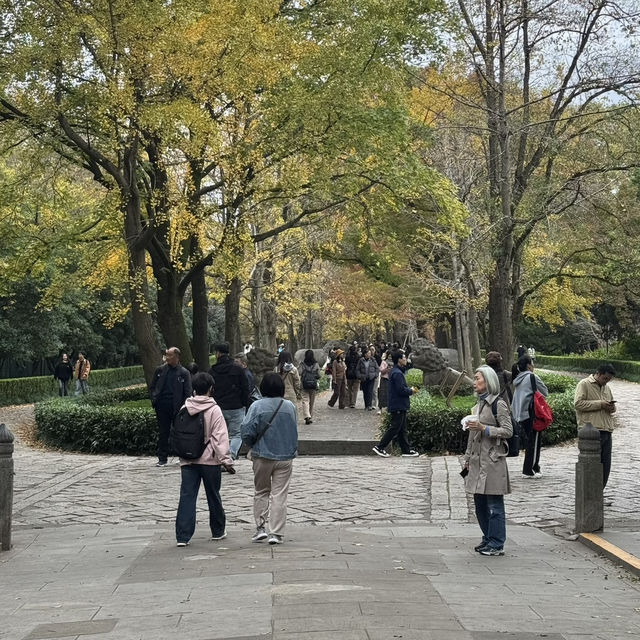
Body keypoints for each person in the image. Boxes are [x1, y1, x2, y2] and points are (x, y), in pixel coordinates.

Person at [175, 372, 235, 547]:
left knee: (187, 496)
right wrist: (226, 461)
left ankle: (182, 536)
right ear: (210, 389)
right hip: (209, 460)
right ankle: (217, 531)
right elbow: (220, 438)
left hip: (188, 459)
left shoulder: (184, 407)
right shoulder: (214, 409)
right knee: (213, 496)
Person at [241, 372, 298, 545]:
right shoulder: (290, 406)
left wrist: (251, 444)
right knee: (280, 495)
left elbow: (246, 430)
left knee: (261, 491)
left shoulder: (257, 406)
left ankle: (260, 528)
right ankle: (276, 533)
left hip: (262, 455)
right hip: (285, 455)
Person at [463, 365, 513, 556]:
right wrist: (467, 458)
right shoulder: (479, 404)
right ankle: (487, 537)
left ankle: (497, 542)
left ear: (488, 381)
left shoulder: (498, 404)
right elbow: (472, 434)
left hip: (492, 460)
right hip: (476, 460)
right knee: (479, 503)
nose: (474, 382)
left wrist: (485, 428)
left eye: (478, 378)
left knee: (494, 503)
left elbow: (508, 431)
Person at [574, 363, 616, 488]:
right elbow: (578, 404)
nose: (606, 382)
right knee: (592, 465)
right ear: (598, 374)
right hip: (591, 431)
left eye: (608, 380)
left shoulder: (606, 388)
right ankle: (590, 493)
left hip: (607, 429)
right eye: (605, 379)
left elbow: (612, 408)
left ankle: (599, 493)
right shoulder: (584, 384)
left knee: (606, 465)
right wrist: (600, 404)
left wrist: (611, 407)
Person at [372, 350, 419, 457]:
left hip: (399, 404)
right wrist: (411, 391)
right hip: (398, 404)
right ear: (398, 360)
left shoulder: (395, 371)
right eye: (404, 358)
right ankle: (380, 447)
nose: (406, 360)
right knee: (395, 427)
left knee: (402, 429)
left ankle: (406, 450)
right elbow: (401, 390)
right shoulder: (397, 373)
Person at [150, 347, 192, 467]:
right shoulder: (160, 370)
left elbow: (187, 392)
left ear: (177, 357)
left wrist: (185, 406)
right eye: (166, 355)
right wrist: (154, 399)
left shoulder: (184, 373)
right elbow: (153, 387)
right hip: (162, 406)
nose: (167, 358)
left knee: (179, 433)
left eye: (170, 355)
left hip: (178, 407)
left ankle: (182, 455)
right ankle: (162, 458)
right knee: (163, 432)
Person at [209, 343, 250, 460]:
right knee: (237, 434)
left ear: (218, 353)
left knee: (219, 434)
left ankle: (220, 455)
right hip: (236, 406)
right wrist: (244, 404)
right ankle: (231, 454)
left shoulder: (212, 371)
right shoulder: (237, 369)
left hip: (218, 407)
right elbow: (245, 387)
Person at [511, 355, 549, 478]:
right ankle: (529, 470)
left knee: (529, 442)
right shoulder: (531, 377)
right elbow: (545, 391)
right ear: (528, 365)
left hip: (520, 415)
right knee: (534, 442)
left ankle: (534, 468)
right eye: (532, 363)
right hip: (532, 415)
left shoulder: (517, 379)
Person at [298, 349, 321, 424]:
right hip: (313, 385)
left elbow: (299, 372)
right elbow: (319, 375)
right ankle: (310, 415)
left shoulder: (302, 364)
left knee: (305, 401)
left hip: (304, 385)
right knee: (311, 401)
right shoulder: (316, 364)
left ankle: (307, 416)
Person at [377, 348, 394, 416]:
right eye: (389, 355)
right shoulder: (384, 362)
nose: (390, 357)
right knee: (382, 394)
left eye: (391, 356)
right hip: (384, 379)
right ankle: (380, 408)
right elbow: (381, 371)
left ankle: (389, 408)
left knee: (390, 394)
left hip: (391, 380)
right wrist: (387, 369)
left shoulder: (394, 363)